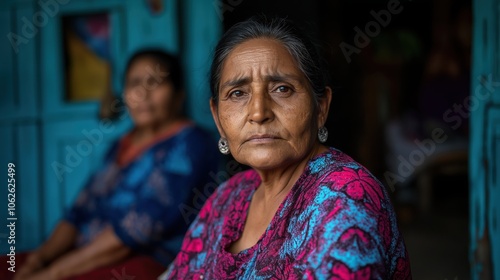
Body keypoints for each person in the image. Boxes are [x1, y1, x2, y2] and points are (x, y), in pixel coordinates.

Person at [160, 16, 411, 279]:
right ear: (217, 118)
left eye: (282, 89)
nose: (258, 113)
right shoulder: (230, 196)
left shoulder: (347, 197)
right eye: (238, 93)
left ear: (321, 108)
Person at [11, 49, 220, 280]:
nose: (143, 93)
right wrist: (38, 260)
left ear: (178, 94)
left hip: (144, 262)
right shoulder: (119, 146)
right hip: (84, 256)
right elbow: (78, 213)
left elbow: (133, 234)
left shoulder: (192, 144)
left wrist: (52, 273)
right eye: (134, 83)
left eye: (155, 83)